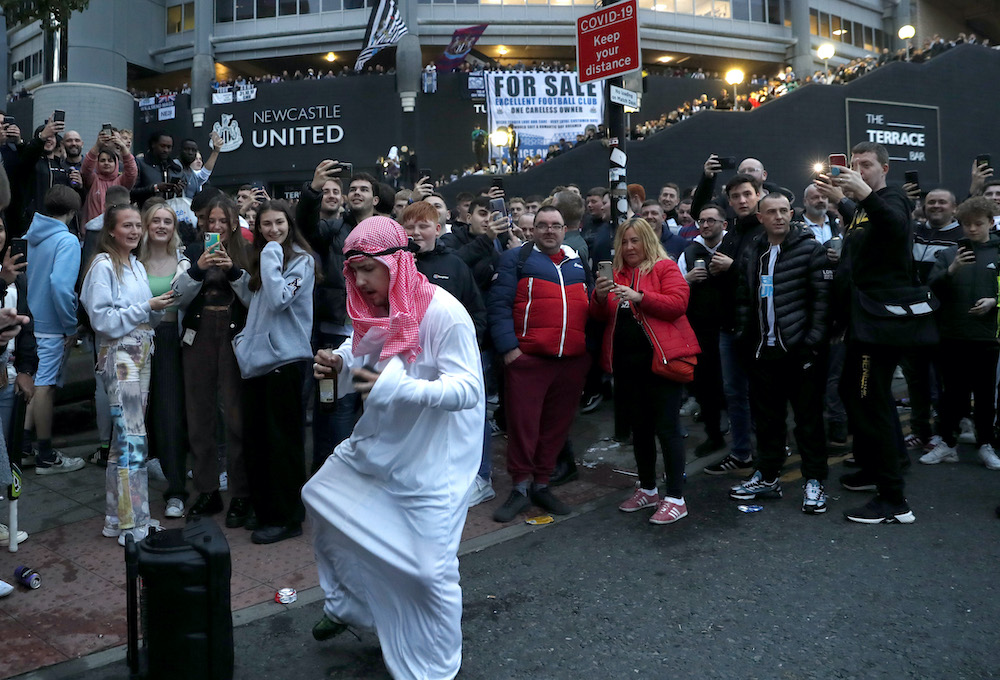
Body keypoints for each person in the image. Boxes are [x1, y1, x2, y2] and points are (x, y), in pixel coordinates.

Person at [304, 216, 483, 680]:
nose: (359, 281)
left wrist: (400, 387)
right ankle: (354, 605)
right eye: (353, 271)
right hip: (381, 444)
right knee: (321, 498)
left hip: (432, 460)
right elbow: (363, 345)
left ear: (396, 264)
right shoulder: (377, 304)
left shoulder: (445, 313)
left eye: (367, 269)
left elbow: (466, 390)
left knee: (429, 572)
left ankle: (437, 668)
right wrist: (340, 361)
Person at [816, 141, 917, 524]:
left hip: (879, 325)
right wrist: (843, 200)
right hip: (860, 321)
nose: (858, 169)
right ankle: (880, 468)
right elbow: (864, 242)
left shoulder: (892, 199)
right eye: (854, 164)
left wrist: (860, 193)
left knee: (867, 399)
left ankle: (893, 500)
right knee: (856, 394)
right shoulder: (862, 207)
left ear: (884, 169)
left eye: (867, 165)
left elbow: (892, 227)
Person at [591, 217, 699, 524]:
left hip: (660, 363)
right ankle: (649, 488)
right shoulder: (617, 274)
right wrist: (599, 296)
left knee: (667, 428)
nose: (628, 247)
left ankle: (676, 497)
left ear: (648, 242)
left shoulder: (663, 268)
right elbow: (600, 316)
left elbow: (678, 303)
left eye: (635, 240)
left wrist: (641, 297)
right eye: (624, 242)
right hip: (627, 367)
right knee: (639, 430)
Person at [728, 193, 832, 513]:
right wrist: (745, 337)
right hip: (763, 351)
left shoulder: (809, 249)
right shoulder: (753, 249)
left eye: (784, 211)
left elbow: (823, 301)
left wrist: (811, 342)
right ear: (760, 217)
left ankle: (814, 481)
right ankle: (768, 476)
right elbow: (745, 298)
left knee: (808, 421)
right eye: (771, 212)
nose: (778, 217)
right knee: (768, 420)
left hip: (800, 352)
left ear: (792, 213)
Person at [488, 206, 591, 523]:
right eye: (542, 225)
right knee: (523, 428)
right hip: (529, 360)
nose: (549, 230)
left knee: (555, 428)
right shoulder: (515, 259)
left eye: (555, 225)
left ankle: (542, 484)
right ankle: (520, 488)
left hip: (570, 362)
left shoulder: (576, 263)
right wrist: (510, 349)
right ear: (532, 230)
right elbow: (499, 306)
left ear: (565, 229)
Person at [81, 203, 174, 545]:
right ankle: (132, 524)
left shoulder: (133, 264)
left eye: (138, 225)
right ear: (111, 231)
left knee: (125, 442)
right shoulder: (103, 266)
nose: (135, 231)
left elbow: (144, 316)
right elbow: (101, 319)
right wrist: (147, 307)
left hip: (139, 355)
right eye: (127, 226)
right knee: (133, 440)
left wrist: (159, 306)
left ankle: (116, 518)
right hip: (122, 359)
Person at [232, 201, 315, 543]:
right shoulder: (267, 260)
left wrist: (269, 253)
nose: (273, 230)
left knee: (283, 444)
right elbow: (261, 304)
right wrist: (239, 275)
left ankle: (288, 517)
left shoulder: (301, 262)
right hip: (257, 363)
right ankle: (267, 510)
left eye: (279, 223)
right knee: (259, 441)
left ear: (289, 224)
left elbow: (281, 298)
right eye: (266, 225)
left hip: (286, 362)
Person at [400, 201, 490, 506]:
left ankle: (480, 476)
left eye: (423, 226)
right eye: (410, 227)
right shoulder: (397, 267)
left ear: (438, 230)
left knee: (469, 416)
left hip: (453, 362)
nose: (416, 233)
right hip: (412, 363)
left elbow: (477, 313)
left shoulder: (455, 266)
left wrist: (463, 345)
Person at [173, 194, 254, 526]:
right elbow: (176, 298)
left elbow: (255, 298)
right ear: (202, 222)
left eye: (223, 220)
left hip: (235, 338)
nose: (216, 226)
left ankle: (240, 493)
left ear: (234, 222)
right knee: (199, 412)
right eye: (210, 220)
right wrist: (199, 269)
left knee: (236, 416)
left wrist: (233, 271)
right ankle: (206, 490)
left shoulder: (247, 251)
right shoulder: (192, 252)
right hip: (199, 334)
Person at [922, 196, 1000, 470]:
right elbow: (932, 290)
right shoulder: (947, 254)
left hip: (988, 337)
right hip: (952, 335)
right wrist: (953, 268)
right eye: (966, 224)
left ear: (991, 222)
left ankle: (985, 444)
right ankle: (947, 442)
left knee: (985, 396)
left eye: (978, 224)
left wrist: (995, 301)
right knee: (951, 395)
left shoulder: (999, 253)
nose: (972, 229)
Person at [24, 185, 85, 474]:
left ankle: (23, 447)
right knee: (44, 388)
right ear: (73, 213)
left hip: (27, 322)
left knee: (33, 386)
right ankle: (45, 456)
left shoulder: (29, 236)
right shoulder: (67, 241)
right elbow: (61, 286)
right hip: (51, 326)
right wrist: (70, 324)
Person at [137, 200, 190, 518]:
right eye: (155, 220)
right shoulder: (131, 262)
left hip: (171, 343)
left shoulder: (183, 261)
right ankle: (134, 487)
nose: (160, 226)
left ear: (174, 228)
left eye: (167, 221)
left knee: (171, 415)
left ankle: (176, 491)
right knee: (136, 415)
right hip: (138, 342)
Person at [81, 128, 138, 222]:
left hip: (117, 228)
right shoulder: (93, 180)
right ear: (97, 163)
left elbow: (132, 172)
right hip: (93, 230)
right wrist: (97, 145)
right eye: (102, 160)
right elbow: (86, 168)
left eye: (110, 161)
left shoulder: (121, 181)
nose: (106, 163)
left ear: (116, 164)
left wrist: (123, 148)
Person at [131, 130, 184, 205]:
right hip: (146, 211)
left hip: (170, 211)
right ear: (153, 144)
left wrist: (178, 191)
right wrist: (155, 188)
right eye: (162, 146)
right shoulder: (140, 163)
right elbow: (131, 192)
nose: (166, 150)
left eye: (169, 147)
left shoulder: (175, 168)